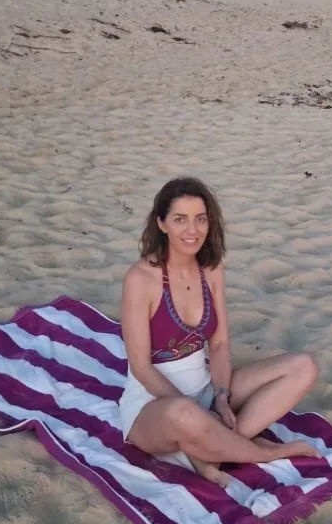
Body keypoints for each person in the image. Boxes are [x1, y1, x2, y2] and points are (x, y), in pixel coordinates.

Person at [120, 176, 318, 485]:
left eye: (200, 219)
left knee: (303, 367)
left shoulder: (210, 269)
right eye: (180, 220)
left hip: (205, 390)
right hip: (153, 405)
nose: (192, 230)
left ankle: (210, 447)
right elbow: (141, 368)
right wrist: (198, 414)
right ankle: (261, 452)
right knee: (184, 415)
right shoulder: (141, 278)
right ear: (161, 224)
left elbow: (220, 343)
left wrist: (222, 398)